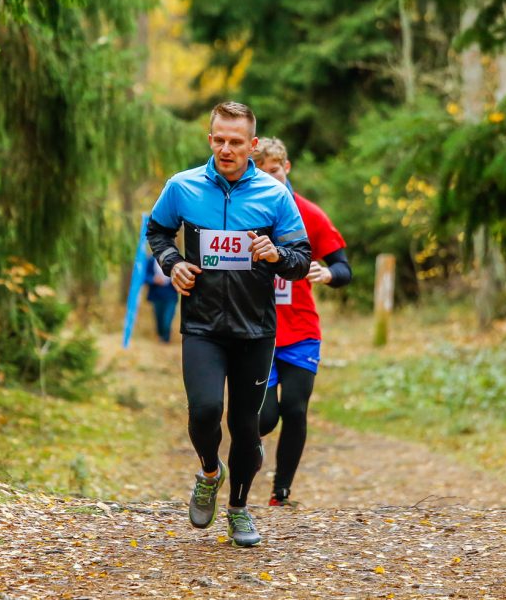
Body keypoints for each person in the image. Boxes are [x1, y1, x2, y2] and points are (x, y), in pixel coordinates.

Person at [146, 102, 311, 547]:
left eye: (235, 141)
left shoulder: (275, 196)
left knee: (245, 425)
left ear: (252, 145)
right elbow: (157, 231)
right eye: (218, 139)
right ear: (210, 138)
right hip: (201, 325)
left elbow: (301, 260)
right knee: (202, 410)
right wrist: (172, 261)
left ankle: (239, 508)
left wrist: (276, 255)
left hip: (255, 330)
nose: (225, 148)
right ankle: (208, 472)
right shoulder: (182, 186)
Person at [253, 137, 352, 507]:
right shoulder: (246, 213)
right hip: (258, 331)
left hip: (301, 331)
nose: (270, 179)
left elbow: (344, 268)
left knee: (295, 408)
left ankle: (281, 491)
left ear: (287, 168)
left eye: (275, 171)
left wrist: (326, 274)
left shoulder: (308, 213)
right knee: (263, 419)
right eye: (261, 173)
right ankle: (250, 455)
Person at [144, 254, 177, 343]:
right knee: (159, 318)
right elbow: (145, 276)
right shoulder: (151, 260)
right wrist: (153, 279)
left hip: (171, 295)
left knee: (167, 318)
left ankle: (166, 338)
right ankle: (161, 336)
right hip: (156, 295)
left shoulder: (175, 259)